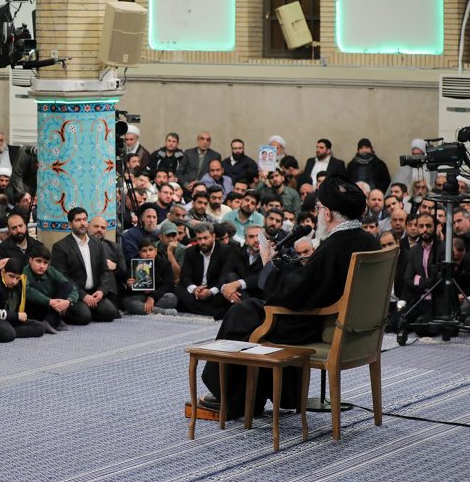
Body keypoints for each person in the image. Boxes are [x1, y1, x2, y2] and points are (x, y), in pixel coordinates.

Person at [201, 174, 378, 417]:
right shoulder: (368, 241)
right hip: (354, 328)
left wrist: (268, 264)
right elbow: (314, 282)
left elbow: (296, 295)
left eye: (319, 209)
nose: (318, 214)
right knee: (251, 309)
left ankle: (234, 399)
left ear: (328, 214)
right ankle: (258, 396)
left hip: (312, 323)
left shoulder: (335, 245)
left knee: (241, 313)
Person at [50, 207, 121, 322]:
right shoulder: (60, 247)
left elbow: (104, 270)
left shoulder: (96, 243)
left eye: (84, 219)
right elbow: (62, 277)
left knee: (110, 313)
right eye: (78, 220)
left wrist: (101, 290)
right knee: (84, 317)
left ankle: (90, 309)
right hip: (74, 294)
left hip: (94, 292)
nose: (83, 223)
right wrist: (83, 296)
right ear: (70, 224)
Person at [175, 222, 232, 318]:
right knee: (178, 290)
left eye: (205, 238)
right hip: (197, 291)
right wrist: (194, 289)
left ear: (213, 236)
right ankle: (212, 312)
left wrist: (210, 291)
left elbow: (225, 276)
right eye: (199, 239)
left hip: (214, 291)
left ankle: (198, 309)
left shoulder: (225, 251)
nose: (202, 242)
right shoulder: (191, 251)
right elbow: (185, 276)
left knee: (227, 293)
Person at [0, 257, 45, 338]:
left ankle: (9, 331)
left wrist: (17, 316)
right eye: (11, 276)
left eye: (17, 278)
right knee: (8, 333)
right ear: (3, 272)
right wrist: (17, 316)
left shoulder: (20, 282)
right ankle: (3, 332)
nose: (14, 281)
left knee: (40, 327)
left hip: (10, 317)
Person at [24, 245, 84, 330]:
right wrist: (50, 301)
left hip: (51, 306)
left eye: (45, 263)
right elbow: (28, 292)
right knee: (36, 288)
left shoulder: (51, 270)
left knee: (67, 285)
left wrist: (68, 302)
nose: (42, 266)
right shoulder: (24, 272)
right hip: (33, 308)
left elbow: (72, 287)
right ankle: (54, 320)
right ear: (30, 260)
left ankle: (50, 320)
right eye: (38, 261)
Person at [123, 237, 177, 315]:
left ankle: (142, 309)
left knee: (172, 298)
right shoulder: (134, 264)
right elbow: (130, 289)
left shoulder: (164, 263)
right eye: (144, 251)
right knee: (127, 302)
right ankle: (162, 311)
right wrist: (130, 285)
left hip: (157, 296)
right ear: (140, 253)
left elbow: (168, 285)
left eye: (150, 250)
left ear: (156, 251)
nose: (148, 253)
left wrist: (152, 297)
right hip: (140, 296)